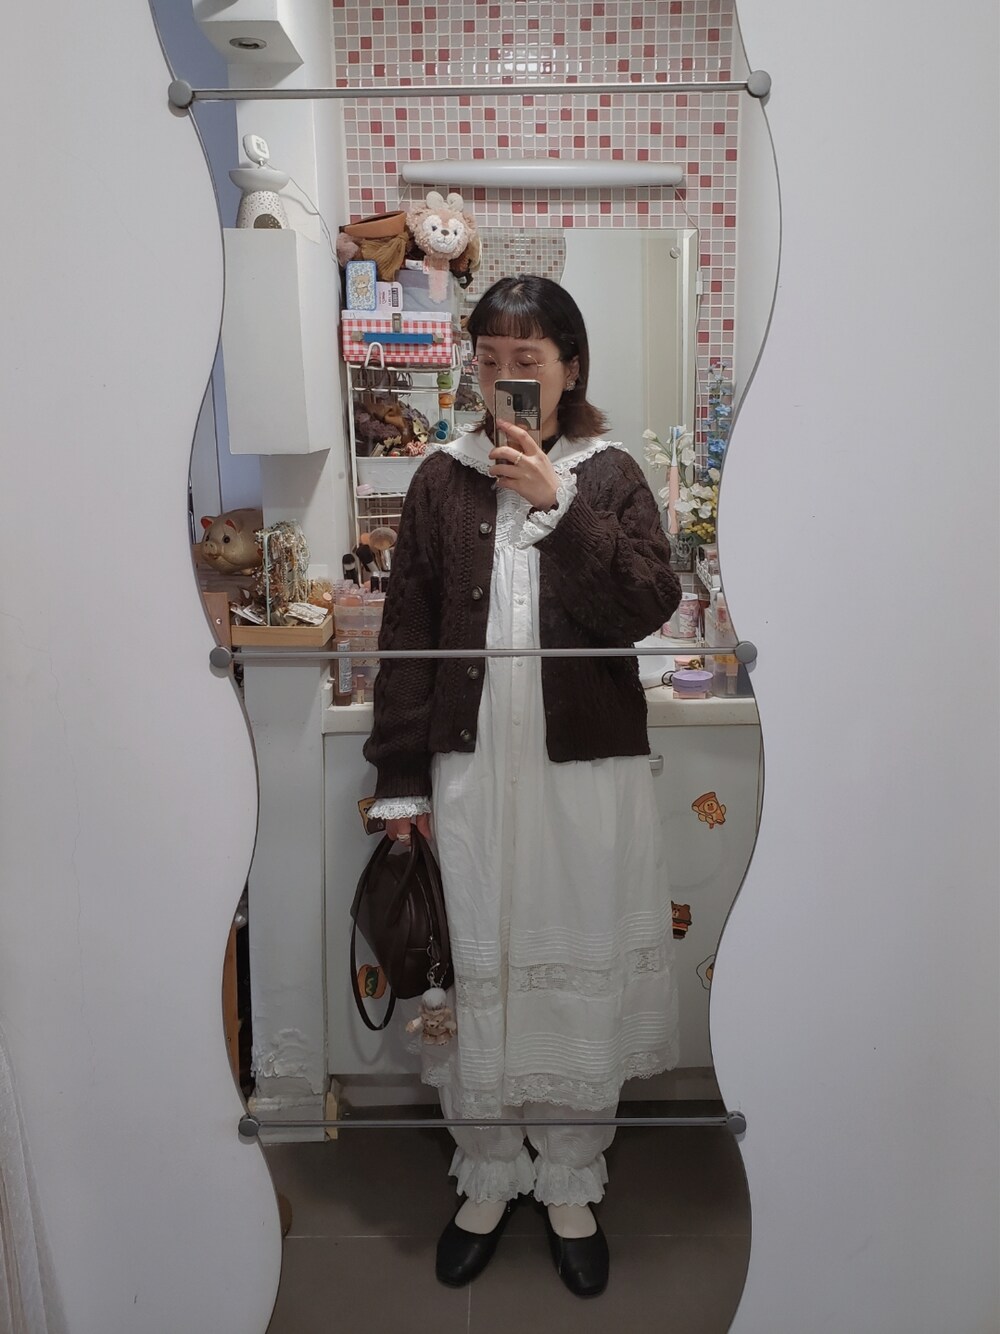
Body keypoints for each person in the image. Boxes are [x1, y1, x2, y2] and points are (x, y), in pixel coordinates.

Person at [364, 274, 682, 1297]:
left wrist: (558, 506)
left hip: (582, 779)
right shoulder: (439, 479)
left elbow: (646, 600)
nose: (506, 375)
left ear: (570, 368)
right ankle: (490, 1169)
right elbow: (408, 639)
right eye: (490, 358)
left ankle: (571, 1177)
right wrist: (400, 782)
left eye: (528, 359)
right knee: (478, 953)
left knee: (571, 945)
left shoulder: (611, 473)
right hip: (466, 772)